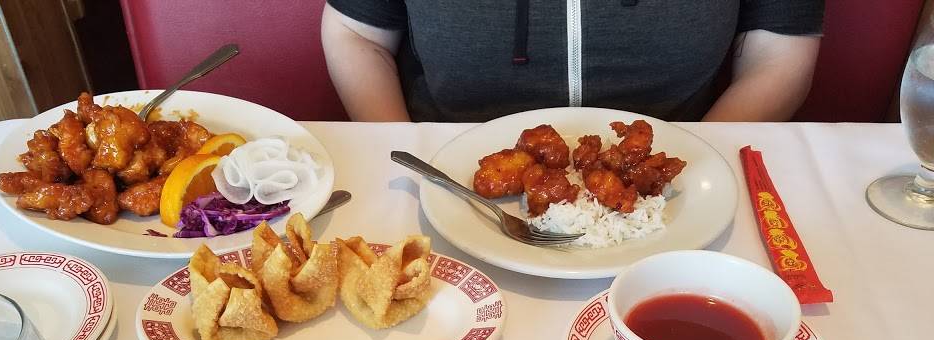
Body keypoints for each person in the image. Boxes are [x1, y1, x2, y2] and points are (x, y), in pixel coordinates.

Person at [321, 1, 824, 122]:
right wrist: (403, 153)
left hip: (679, 175)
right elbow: (356, 34)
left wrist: (700, 162)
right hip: (446, 169)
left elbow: (778, 53)